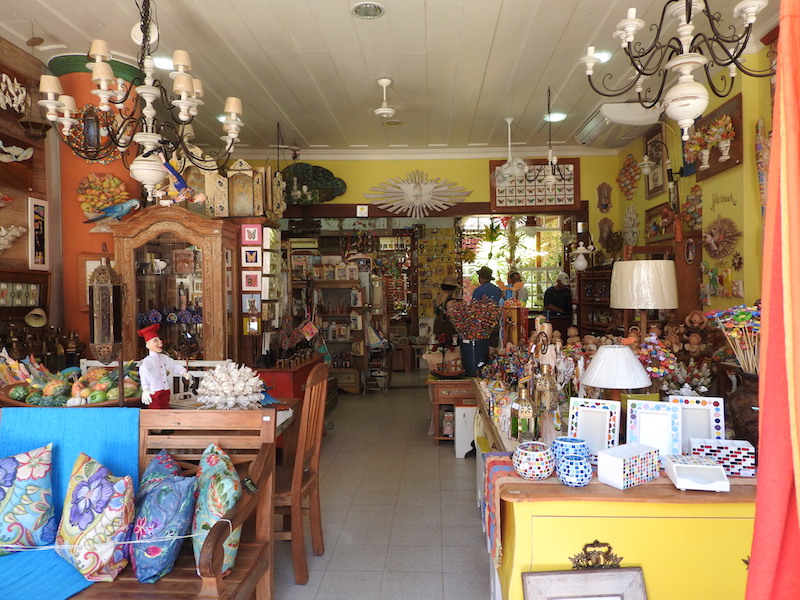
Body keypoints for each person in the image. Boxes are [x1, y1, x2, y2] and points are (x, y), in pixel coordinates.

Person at [137, 323, 190, 409]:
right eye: (155, 341)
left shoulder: (163, 357)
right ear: (148, 345)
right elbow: (144, 373)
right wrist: (145, 389)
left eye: (159, 340)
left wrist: (183, 372)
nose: (159, 342)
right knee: (156, 412)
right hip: (154, 392)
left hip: (165, 390)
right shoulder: (148, 360)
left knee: (165, 409)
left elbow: (173, 366)